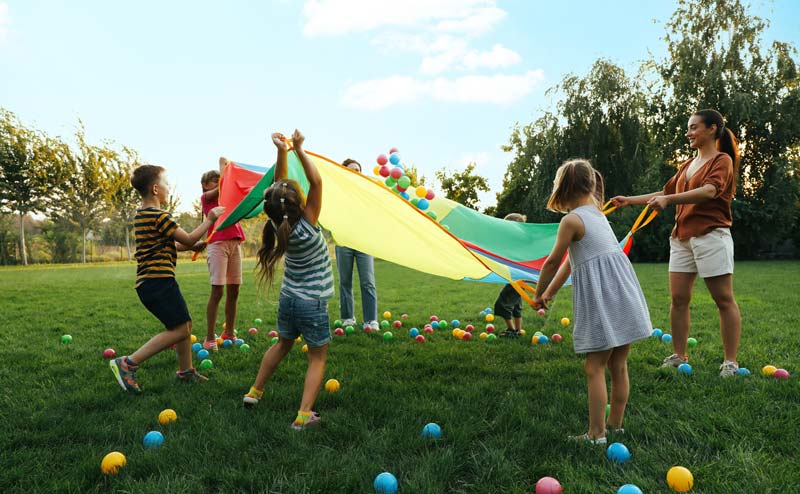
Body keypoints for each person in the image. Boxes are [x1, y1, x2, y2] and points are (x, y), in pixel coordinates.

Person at [611, 109, 742, 377]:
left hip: (711, 235)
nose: (689, 133)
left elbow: (709, 191)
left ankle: (730, 361)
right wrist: (630, 199)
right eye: (688, 128)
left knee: (723, 299)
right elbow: (666, 193)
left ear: (712, 129)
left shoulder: (722, 160)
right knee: (678, 299)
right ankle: (678, 354)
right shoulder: (686, 166)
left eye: (694, 127)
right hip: (681, 238)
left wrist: (669, 201)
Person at [535, 159, 651, 444]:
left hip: (604, 301)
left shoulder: (571, 220)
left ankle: (596, 435)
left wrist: (538, 292)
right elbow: (571, 262)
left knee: (594, 367)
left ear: (562, 188)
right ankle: (615, 425)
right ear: (590, 185)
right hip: (624, 296)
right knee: (619, 365)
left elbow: (551, 262)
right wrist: (550, 293)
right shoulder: (598, 216)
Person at [242, 130, 334, 431]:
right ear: (297, 204)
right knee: (317, 358)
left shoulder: (277, 224)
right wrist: (299, 149)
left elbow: (276, 189)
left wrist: (283, 151)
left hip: (289, 300)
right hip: (312, 304)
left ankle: (254, 392)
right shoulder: (308, 224)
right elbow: (317, 182)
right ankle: (304, 415)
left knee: (282, 344)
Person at [110, 164, 224, 393]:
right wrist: (210, 218)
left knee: (185, 324)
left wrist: (192, 245)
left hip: (151, 283)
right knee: (181, 330)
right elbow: (190, 238)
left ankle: (185, 372)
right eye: (166, 184)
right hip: (158, 281)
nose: (168, 188)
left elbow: (174, 244)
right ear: (155, 189)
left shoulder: (143, 215)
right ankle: (128, 363)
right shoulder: (159, 216)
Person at [199, 159, 246, 351]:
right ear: (205, 185)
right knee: (217, 291)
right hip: (217, 244)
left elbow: (236, 193)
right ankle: (210, 337)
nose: (219, 181)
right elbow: (222, 188)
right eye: (214, 180)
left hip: (235, 242)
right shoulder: (207, 198)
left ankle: (229, 333)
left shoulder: (227, 196)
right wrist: (224, 171)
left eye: (220, 178)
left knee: (234, 290)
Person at [336, 158, 379, 331]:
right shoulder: (338, 192)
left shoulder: (366, 191)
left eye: (358, 170)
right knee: (345, 281)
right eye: (352, 169)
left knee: (367, 281)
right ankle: (347, 318)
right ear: (344, 170)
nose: (356, 172)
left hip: (363, 241)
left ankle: (371, 320)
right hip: (344, 240)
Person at [496, 213, 528, 338]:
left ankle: (512, 330)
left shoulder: (515, 242)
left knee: (502, 304)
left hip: (516, 280)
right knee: (516, 305)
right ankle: (518, 330)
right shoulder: (520, 241)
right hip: (520, 279)